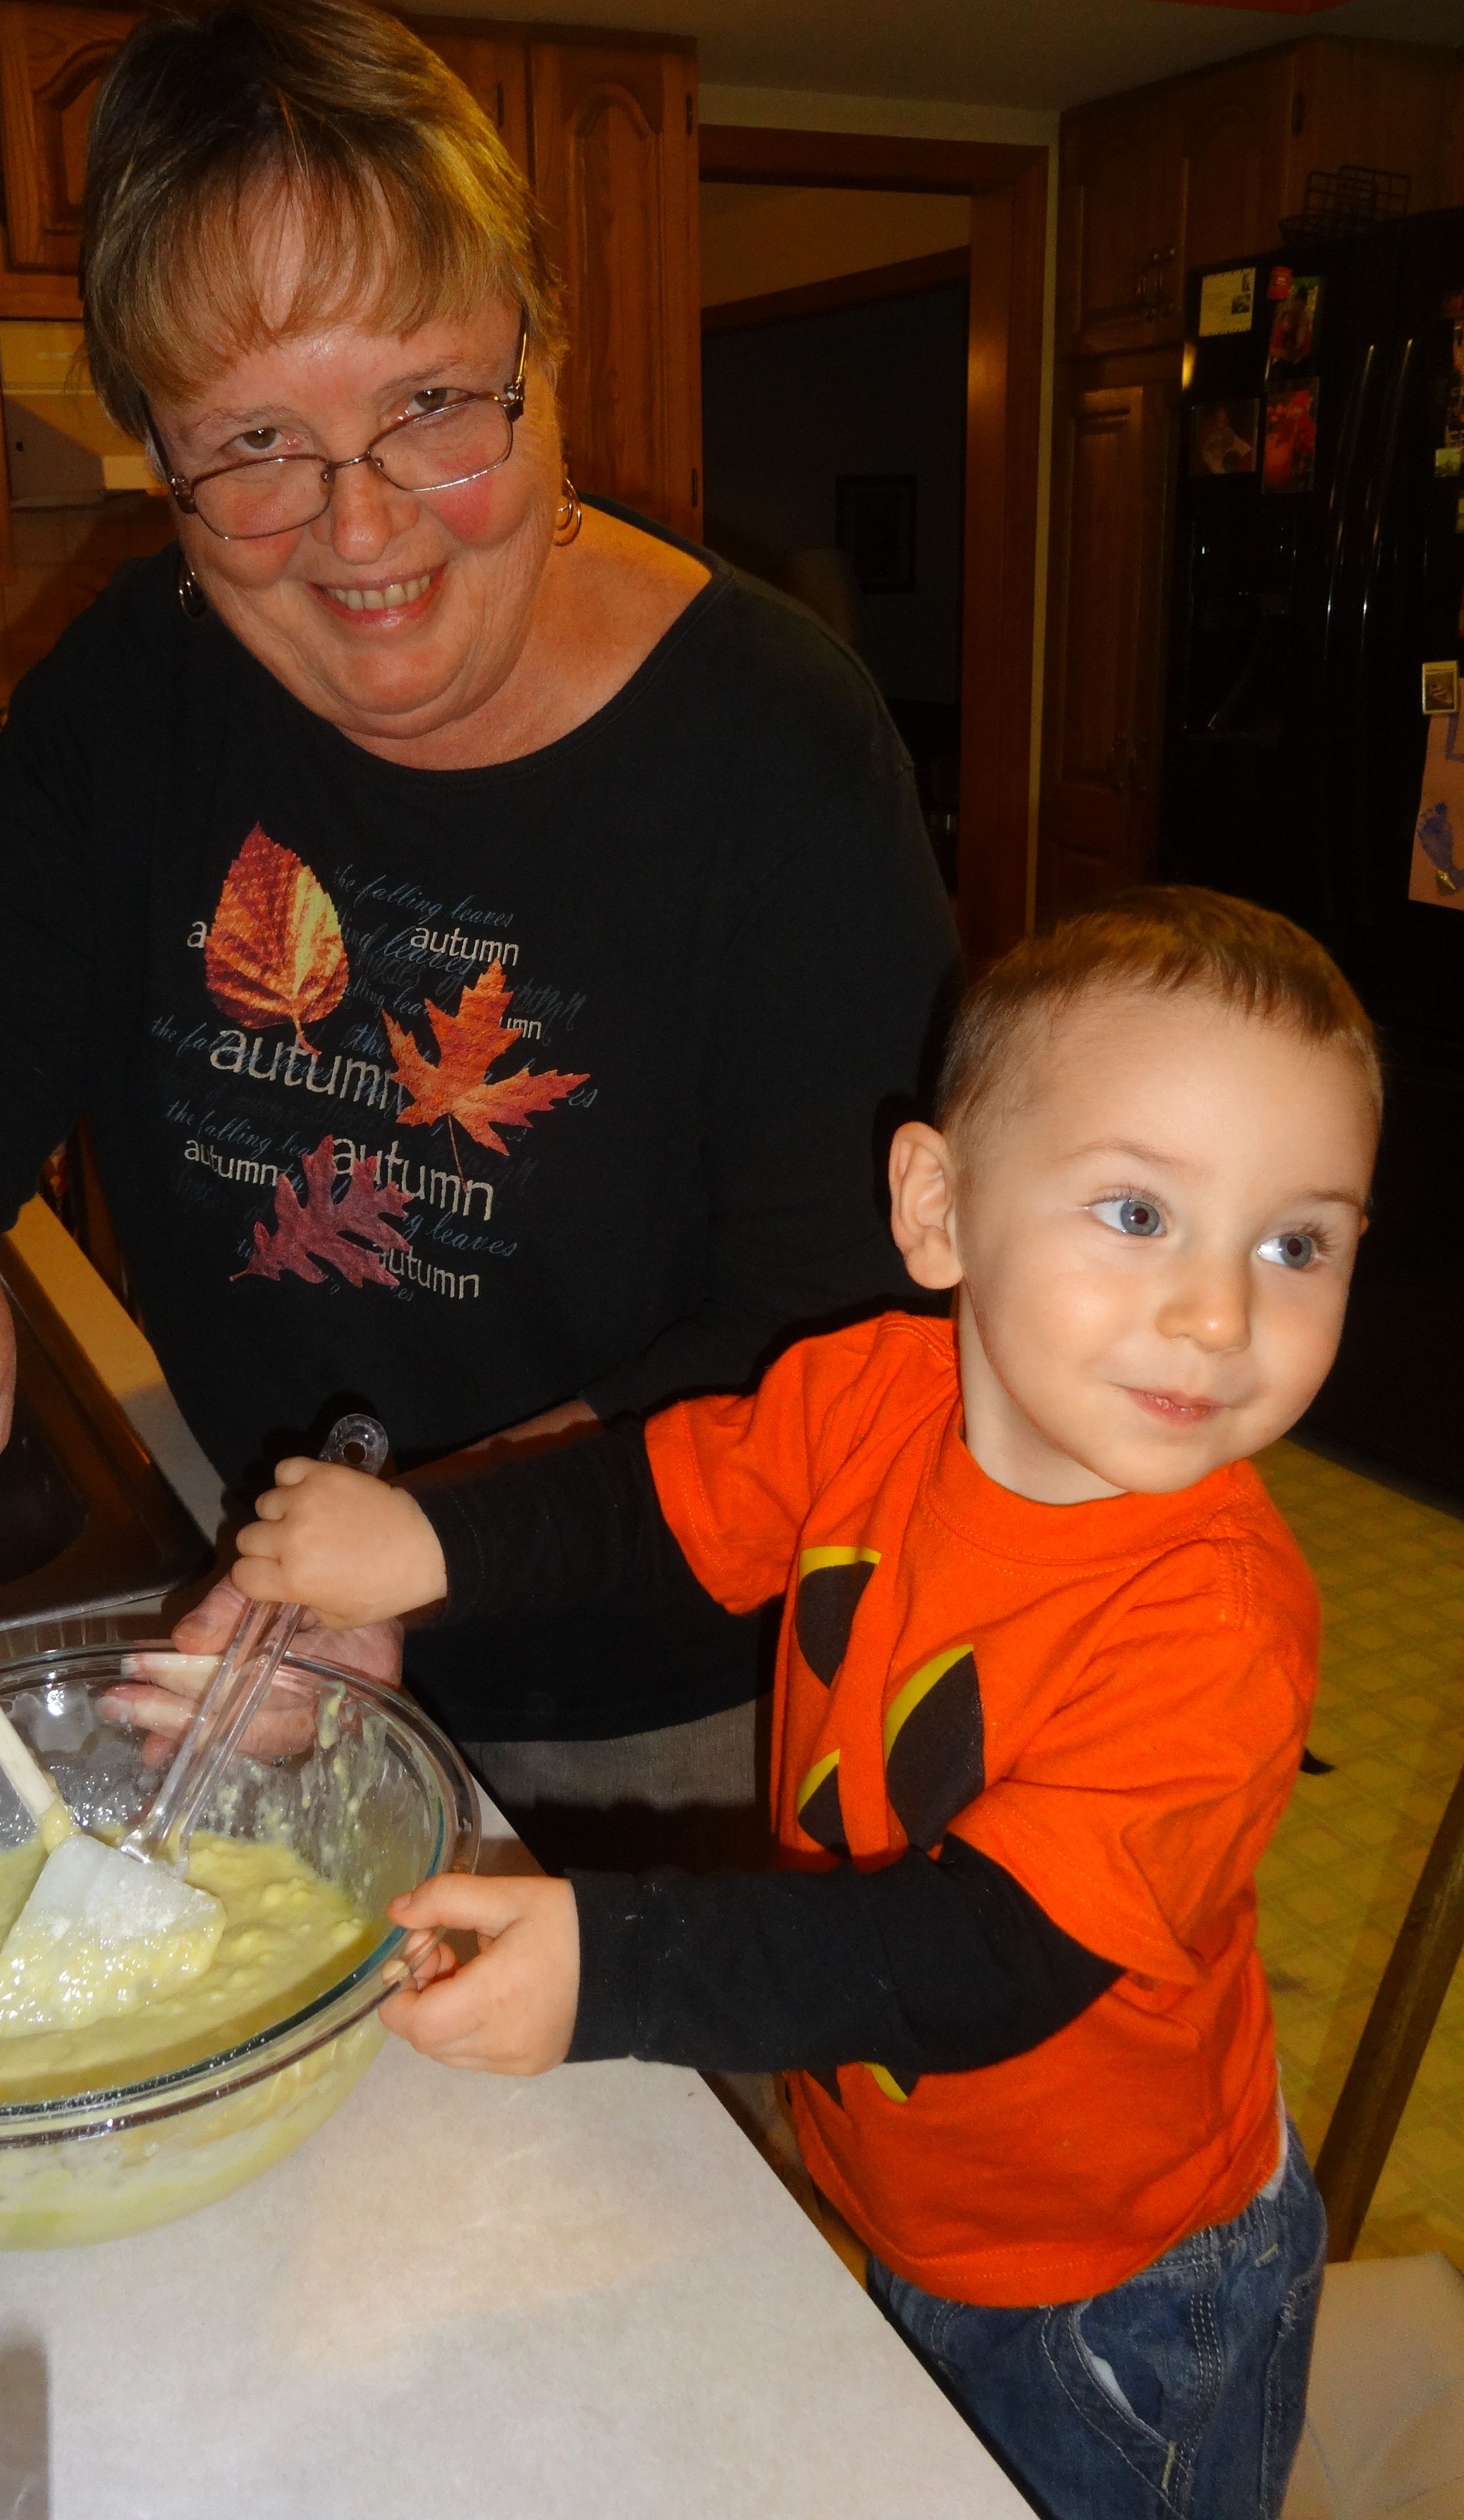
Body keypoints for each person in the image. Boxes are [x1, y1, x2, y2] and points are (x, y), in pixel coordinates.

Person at [0, 0, 956, 1848]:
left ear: (542, 358)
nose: (365, 529)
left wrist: (415, 1553)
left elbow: (832, 1330)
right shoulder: (132, 691)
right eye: (253, 446)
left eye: (431, 407)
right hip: (275, 1639)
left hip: (672, 1711)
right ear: (158, 451)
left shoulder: (776, 740)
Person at [213, 888, 1376, 2520]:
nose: (1221, 1316)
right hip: (914, 2197)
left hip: (1115, 2294)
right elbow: (657, 1505)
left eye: (1295, 1244)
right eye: (1138, 1213)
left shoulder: (1214, 1625)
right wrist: (427, 1545)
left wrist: (616, 1968)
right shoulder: (873, 1394)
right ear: (939, 1210)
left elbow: (977, 1961)